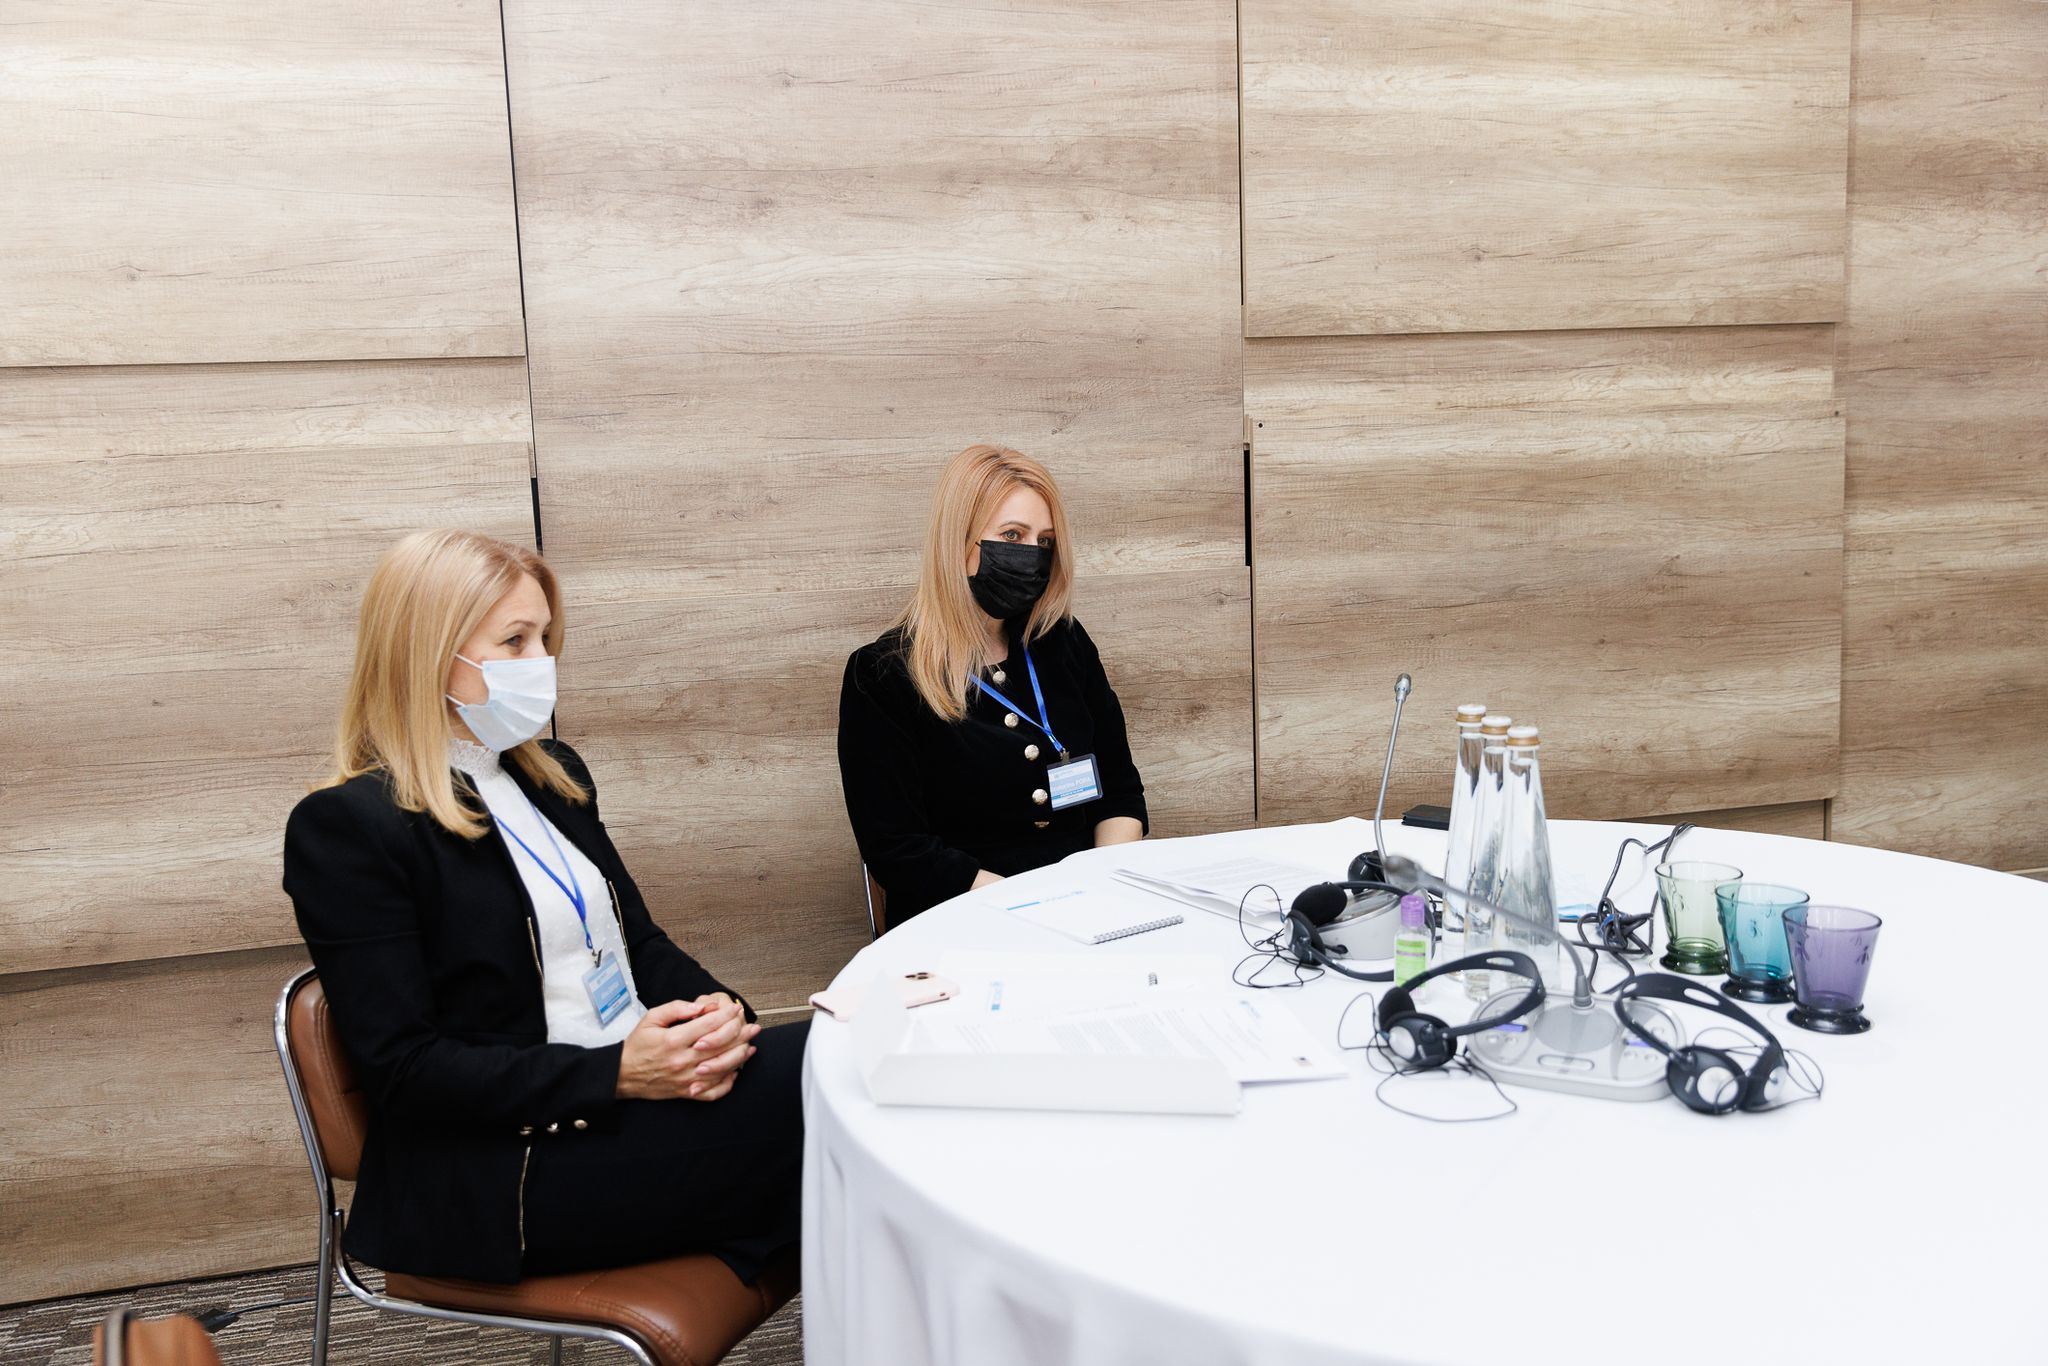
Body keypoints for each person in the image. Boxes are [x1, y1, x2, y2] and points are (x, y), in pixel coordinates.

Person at [282, 529, 802, 1287]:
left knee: (841, 1075)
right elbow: (407, 1072)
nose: (540, 662)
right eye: (514, 641)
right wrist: (617, 1073)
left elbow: (636, 943)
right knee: (832, 1121)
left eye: (544, 639)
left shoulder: (552, 774)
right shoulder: (348, 827)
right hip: (510, 1169)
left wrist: (717, 1013)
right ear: (429, 655)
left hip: (633, 1097)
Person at [837, 444, 1147, 922]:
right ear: (958, 542)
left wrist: (1099, 887)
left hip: (1087, 904)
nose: (1032, 556)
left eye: (1045, 542)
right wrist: (1033, 909)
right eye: (1012, 535)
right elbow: (898, 849)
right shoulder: (883, 676)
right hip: (964, 917)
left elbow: (1121, 792)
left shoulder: (1063, 643)